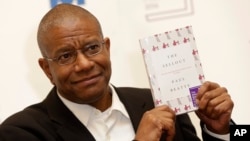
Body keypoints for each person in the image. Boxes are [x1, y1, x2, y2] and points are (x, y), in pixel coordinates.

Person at [0, 3, 234, 141]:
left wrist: (221, 131)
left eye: (92, 48)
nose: (83, 64)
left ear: (107, 48)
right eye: (65, 56)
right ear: (46, 69)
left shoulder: (160, 103)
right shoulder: (20, 132)